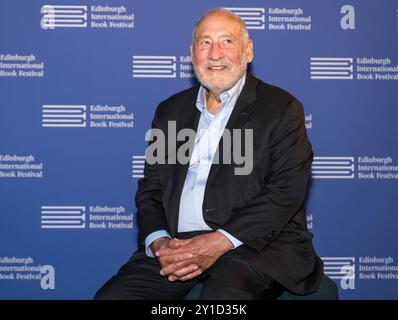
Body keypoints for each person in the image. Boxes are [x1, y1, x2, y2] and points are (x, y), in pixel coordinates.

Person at [94, 8, 323, 300]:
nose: (215, 54)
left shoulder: (281, 108)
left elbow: (285, 193)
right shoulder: (170, 111)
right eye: (205, 43)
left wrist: (216, 243)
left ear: (248, 51)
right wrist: (161, 243)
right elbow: (150, 190)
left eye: (227, 41)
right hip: (179, 247)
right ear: (192, 54)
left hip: (253, 248)